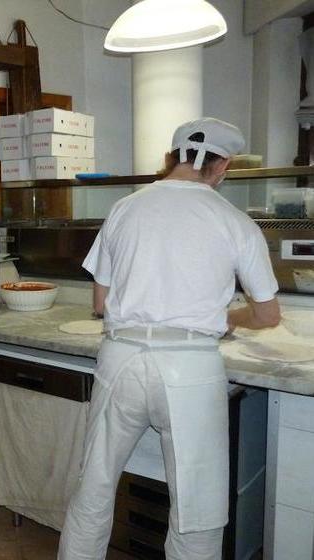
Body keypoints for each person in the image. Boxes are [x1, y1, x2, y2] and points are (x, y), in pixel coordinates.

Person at [57, 118, 281, 560]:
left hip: (120, 360)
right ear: (222, 167)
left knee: (94, 489)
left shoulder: (125, 208)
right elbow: (268, 314)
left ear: (170, 159)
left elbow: (101, 303)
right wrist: (227, 317)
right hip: (190, 367)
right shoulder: (235, 221)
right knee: (197, 508)